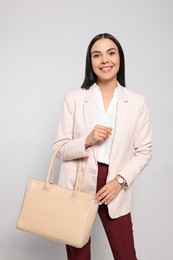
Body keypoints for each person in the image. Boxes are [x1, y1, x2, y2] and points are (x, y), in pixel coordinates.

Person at [54, 33, 152, 260]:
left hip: (114, 183)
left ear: (120, 58)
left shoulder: (137, 102)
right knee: (78, 256)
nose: (104, 60)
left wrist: (120, 181)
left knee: (126, 255)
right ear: (90, 62)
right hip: (76, 184)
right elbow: (60, 148)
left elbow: (144, 150)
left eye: (111, 53)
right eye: (97, 55)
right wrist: (87, 140)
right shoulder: (75, 98)